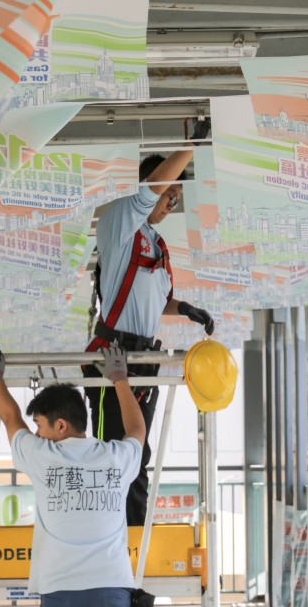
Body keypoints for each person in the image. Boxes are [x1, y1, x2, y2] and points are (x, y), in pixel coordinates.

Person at [83, 119, 216, 529]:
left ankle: (134, 541)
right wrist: (192, 144)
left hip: (142, 359)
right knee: (114, 455)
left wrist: (186, 309)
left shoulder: (157, 246)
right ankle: (110, 534)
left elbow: (154, 301)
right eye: (169, 195)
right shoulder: (121, 222)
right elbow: (148, 193)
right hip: (113, 358)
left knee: (137, 456)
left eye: (176, 200)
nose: (171, 205)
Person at [0, 346, 145, 607]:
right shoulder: (116, 458)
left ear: (61, 425)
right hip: (112, 586)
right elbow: (137, 429)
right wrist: (119, 377)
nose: (37, 433)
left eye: (39, 425)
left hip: (60, 588)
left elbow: (10, 418)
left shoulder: (42, 456)